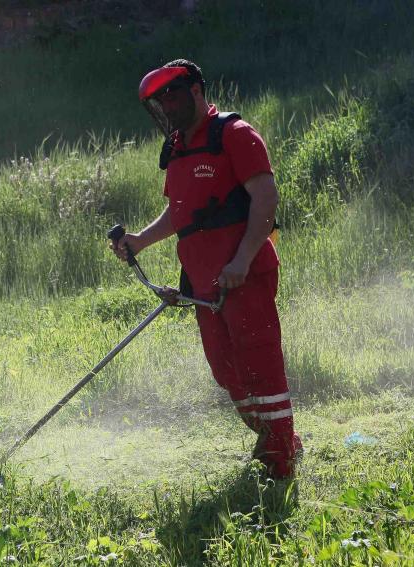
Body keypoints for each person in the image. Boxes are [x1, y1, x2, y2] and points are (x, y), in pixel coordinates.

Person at [110, 59, 301, 479]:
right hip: (203, 283)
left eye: (173, 98)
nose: (167, 109)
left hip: (243, 275)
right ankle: (278, 438)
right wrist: (139, 240)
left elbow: (266, 198)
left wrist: (242, 260)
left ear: (196, 91)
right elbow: (181, 211)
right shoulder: (178, 149)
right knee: (226, 369)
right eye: (160, 104)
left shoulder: (234, 134)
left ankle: (280, 461)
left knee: (259, 363)